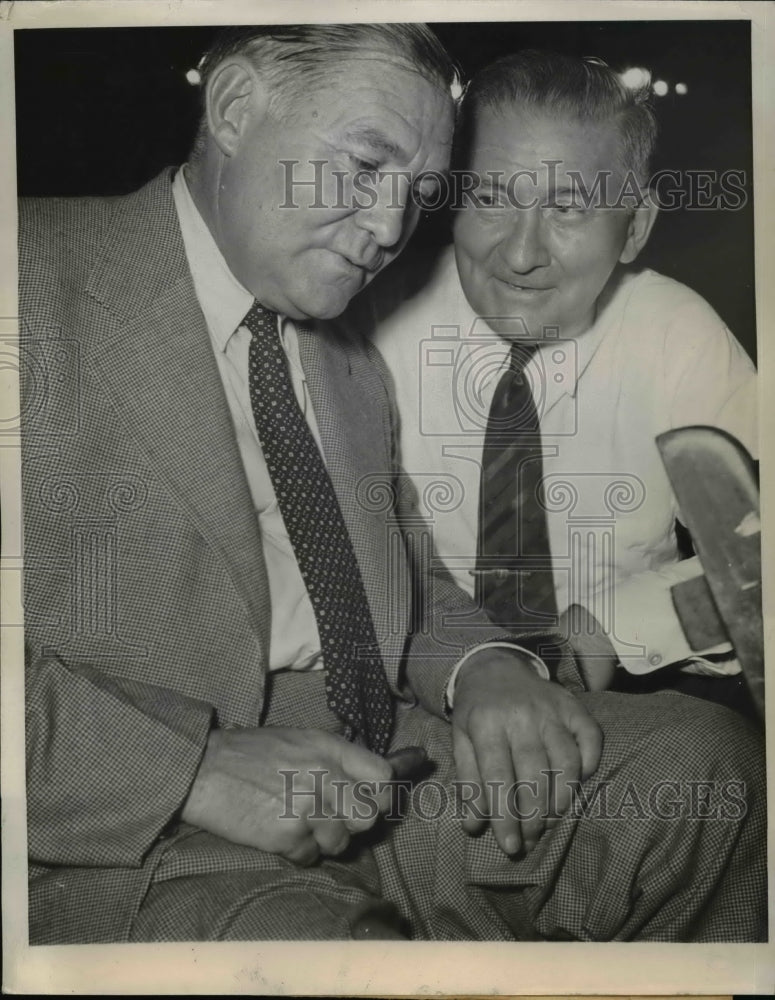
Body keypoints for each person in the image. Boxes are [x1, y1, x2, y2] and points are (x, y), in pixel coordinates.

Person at [21, 28, 765, 945]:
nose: (386, 229)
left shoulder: (337, 342)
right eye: (365, 166)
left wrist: (485, 666)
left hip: (381, 758)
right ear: (235, 108)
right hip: (135, 823)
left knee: (712, 777)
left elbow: (398, 568)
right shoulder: (28, 279)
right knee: (341, 955)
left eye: (416, 193)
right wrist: (192, 769)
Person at [370, 49, 759, 703]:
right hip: (419, 689)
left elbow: (760, 555)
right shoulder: (369, 320)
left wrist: (599, 638)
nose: (521, 254)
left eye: (568, 209)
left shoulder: (676, 332)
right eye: (490, 198)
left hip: (627, 696)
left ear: (633, 228)